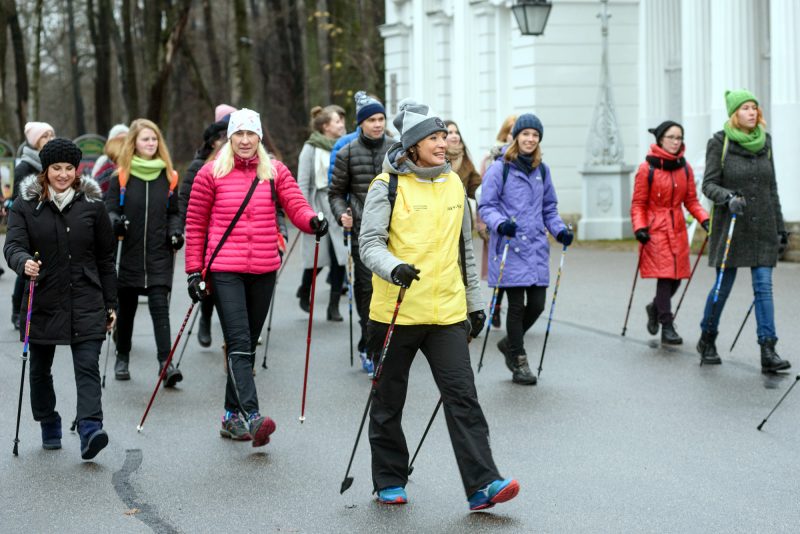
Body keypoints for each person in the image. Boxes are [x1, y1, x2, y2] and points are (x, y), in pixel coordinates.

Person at [360, 98, 518, 510]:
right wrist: (394, 268)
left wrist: (475, 303)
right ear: (412, 145)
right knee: (389, 399)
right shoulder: (386, 186)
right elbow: (369, 245)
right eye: (433, 137)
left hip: (447, 312)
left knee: (463, 396)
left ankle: (483, 483)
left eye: (444, 136)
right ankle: (389, 478)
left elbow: (465, 250)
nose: (444, 142)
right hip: (397, 312)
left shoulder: (454, 185)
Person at [184, 108, 327, 445]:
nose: (245, 141)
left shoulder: (274, 171)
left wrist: (312, 221)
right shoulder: (210, 173)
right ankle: (252, 414)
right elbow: (195, 225)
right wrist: (194, 271)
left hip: (263, 268)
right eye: (239, 135)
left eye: (251, 135)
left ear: (259, 138)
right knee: (238, 341)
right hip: (224, 269)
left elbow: (296, 205)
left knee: (247, 341)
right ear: (229, 138)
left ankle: (230, 417)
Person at [4, 138, 116, 460]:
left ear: (77, 169)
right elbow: (12, 245)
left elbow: (106, 259)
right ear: (45, 170)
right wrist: (22, 262)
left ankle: (90, 428)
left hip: (85, 295)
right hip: (43, 297)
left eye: (69, 168)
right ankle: (48, 421)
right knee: (39, 369)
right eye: (57, 168)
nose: (63, 174)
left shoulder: (93, 205)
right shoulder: (27, 204)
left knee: (87, 366)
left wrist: (111, 303)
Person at [696, 89, 790, 372]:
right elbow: (708, 185)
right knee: (723, 287)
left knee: (764, 288)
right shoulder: (719, 143)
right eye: (746, 108)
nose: (751, 112)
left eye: (754, 108)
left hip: (762, 227)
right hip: (732, 226)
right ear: (734, 113)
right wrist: (728, 198)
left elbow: (771, 188)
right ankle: (708, 337)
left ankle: (768, 349)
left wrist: (781, 228)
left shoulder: (766, 143)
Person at [479, 113, 573, 386]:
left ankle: (509, 343)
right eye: (526, 134)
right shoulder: (500, 168)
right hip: (509, 246)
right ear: (516, 137)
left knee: (538, 304)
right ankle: (519, 360)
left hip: (535, 248)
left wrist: (559, 231)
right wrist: (500, 224)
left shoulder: (542, 170)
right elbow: (487, 206)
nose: (530, 139)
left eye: (535, 135)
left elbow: (549, 209)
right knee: (517, 306)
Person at [106, 119, 183, 385]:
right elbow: (110, 209)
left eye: (154, 139)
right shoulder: (122, 176)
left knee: (160, 308)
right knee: (126, 311)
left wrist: (175, 232)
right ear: (134, 144)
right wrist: (116, 221)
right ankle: (122, 356)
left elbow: (174, 213)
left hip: (159, 253)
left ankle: (166, 363)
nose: (150, 143)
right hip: (129, 252)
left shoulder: (169, 176)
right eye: (145, 139)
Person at [329, 91, 393, 375]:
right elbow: (335, 193)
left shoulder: (397, 149)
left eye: (381, 119)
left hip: (396, 230)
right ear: (361, 123)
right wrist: (341, 213)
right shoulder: (347, 152)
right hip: (362, 232)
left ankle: (388, 345)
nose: (378, 124)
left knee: (391, 288)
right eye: (372, 120)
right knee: (366, 291)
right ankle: (369, 347)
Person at [631, 121, 709, 344]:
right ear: (660, 139)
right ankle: (667, 324)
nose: (676, 142)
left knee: (677, 277)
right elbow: (638, 204)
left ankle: (654, 307)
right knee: (665, 277)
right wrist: (640, 228)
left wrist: (705, 219)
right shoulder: (647, 168)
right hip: (654, 229)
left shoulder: (685, 168)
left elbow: (691, 201)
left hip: (677, 229)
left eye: (679, 138)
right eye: (672, 137)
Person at [178, 116, 230, 348]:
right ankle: (205, 320)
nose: (228, 141)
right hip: (208, 235)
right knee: (208, 283)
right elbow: (184, 200)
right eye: (222, 137)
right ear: (212, 142)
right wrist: (179, 230)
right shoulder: (199, 166)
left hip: (230, 237)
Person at [296, 105, 347, 320]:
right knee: (316, 257)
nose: (342, 125)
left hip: (339, 206)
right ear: (326, 126)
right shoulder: (311, 148)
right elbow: (303, 183)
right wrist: (304, 212)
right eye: (338, 121)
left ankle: (333, 306)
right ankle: (305, 289)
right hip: (317, 205)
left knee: (340, 258)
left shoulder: (346, 145)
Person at [10, 122, 56, 329]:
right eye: (45, 136)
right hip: (29, 224)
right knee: (28, 269)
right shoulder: (24, 167)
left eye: (51, 135)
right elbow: (18, 198)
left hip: (49, 223)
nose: (49, 139)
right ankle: (17, 311)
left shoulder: (54, 164)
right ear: (35, 140)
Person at [478, 115, 516, 327]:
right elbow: (483, 192)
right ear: (505, 133)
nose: (513, 134)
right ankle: (497, 306)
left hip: (515, 224)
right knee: (500, 268)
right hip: (497, 222)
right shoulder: (492, 158)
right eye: (511, 130)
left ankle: (505, 308)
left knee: (511, 268)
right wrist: (484, 223)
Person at [445, 120, 481, 199]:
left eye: (457, 133)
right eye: (450, 132)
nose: (455, 136)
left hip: (461, 208)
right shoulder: (437, 159)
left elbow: (475, 187)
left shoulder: (465, 159)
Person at [92, 123, 130, 191]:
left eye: (125, 139)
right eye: (118, 140)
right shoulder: (103, 161)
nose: (122, 143)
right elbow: (94, 185)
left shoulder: (134, 160)